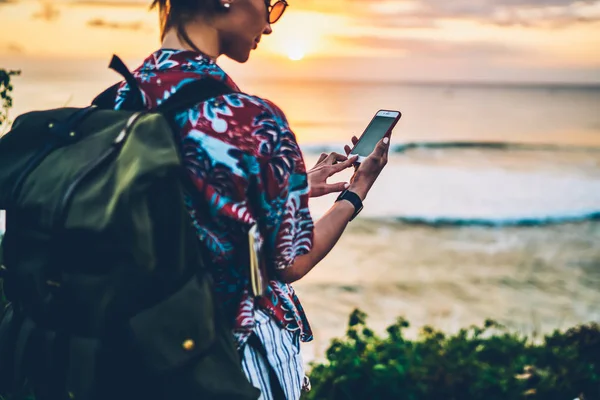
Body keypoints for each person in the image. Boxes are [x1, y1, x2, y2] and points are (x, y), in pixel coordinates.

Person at [116, 0, 391, 398]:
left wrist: (293, 186)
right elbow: (292, 262)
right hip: (230, 357)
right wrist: (356, 191)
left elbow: (185, 200)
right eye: (271, 5)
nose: (270, 24)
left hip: (143, 349)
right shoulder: (251, 120)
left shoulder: (118, 99)